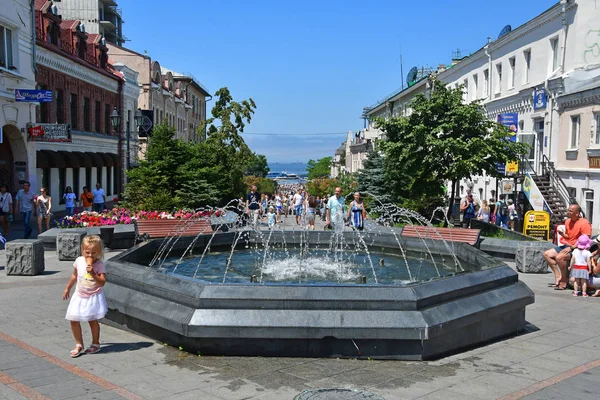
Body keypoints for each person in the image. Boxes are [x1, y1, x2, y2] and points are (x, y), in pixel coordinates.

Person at [62, 235, 107, 358]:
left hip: (93, 296)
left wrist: (92, 272)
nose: (90, 256)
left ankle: (95, 343)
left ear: (99, 252)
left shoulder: (99, 265)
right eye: (87, 252)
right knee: (73, 319)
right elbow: (74, 276)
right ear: (82, 251)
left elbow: (102, 282)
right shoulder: (79, 261)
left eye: (94, 253)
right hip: (79, 295)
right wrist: (67, 288)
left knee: (92, 320)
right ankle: (79, 344)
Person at [544, 204, 592, 290]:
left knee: (559, 257)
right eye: (568, 210)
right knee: (547, 254)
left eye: (571, 211)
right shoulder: (567, 221)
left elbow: (586, 240)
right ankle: (558, 276)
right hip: (568, 245)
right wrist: (562, 234)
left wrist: (572, 247)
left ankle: (564, 279)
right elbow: (569, 236)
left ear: (577, 213)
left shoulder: (584, 223)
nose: (568, 212)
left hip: (578, 248)